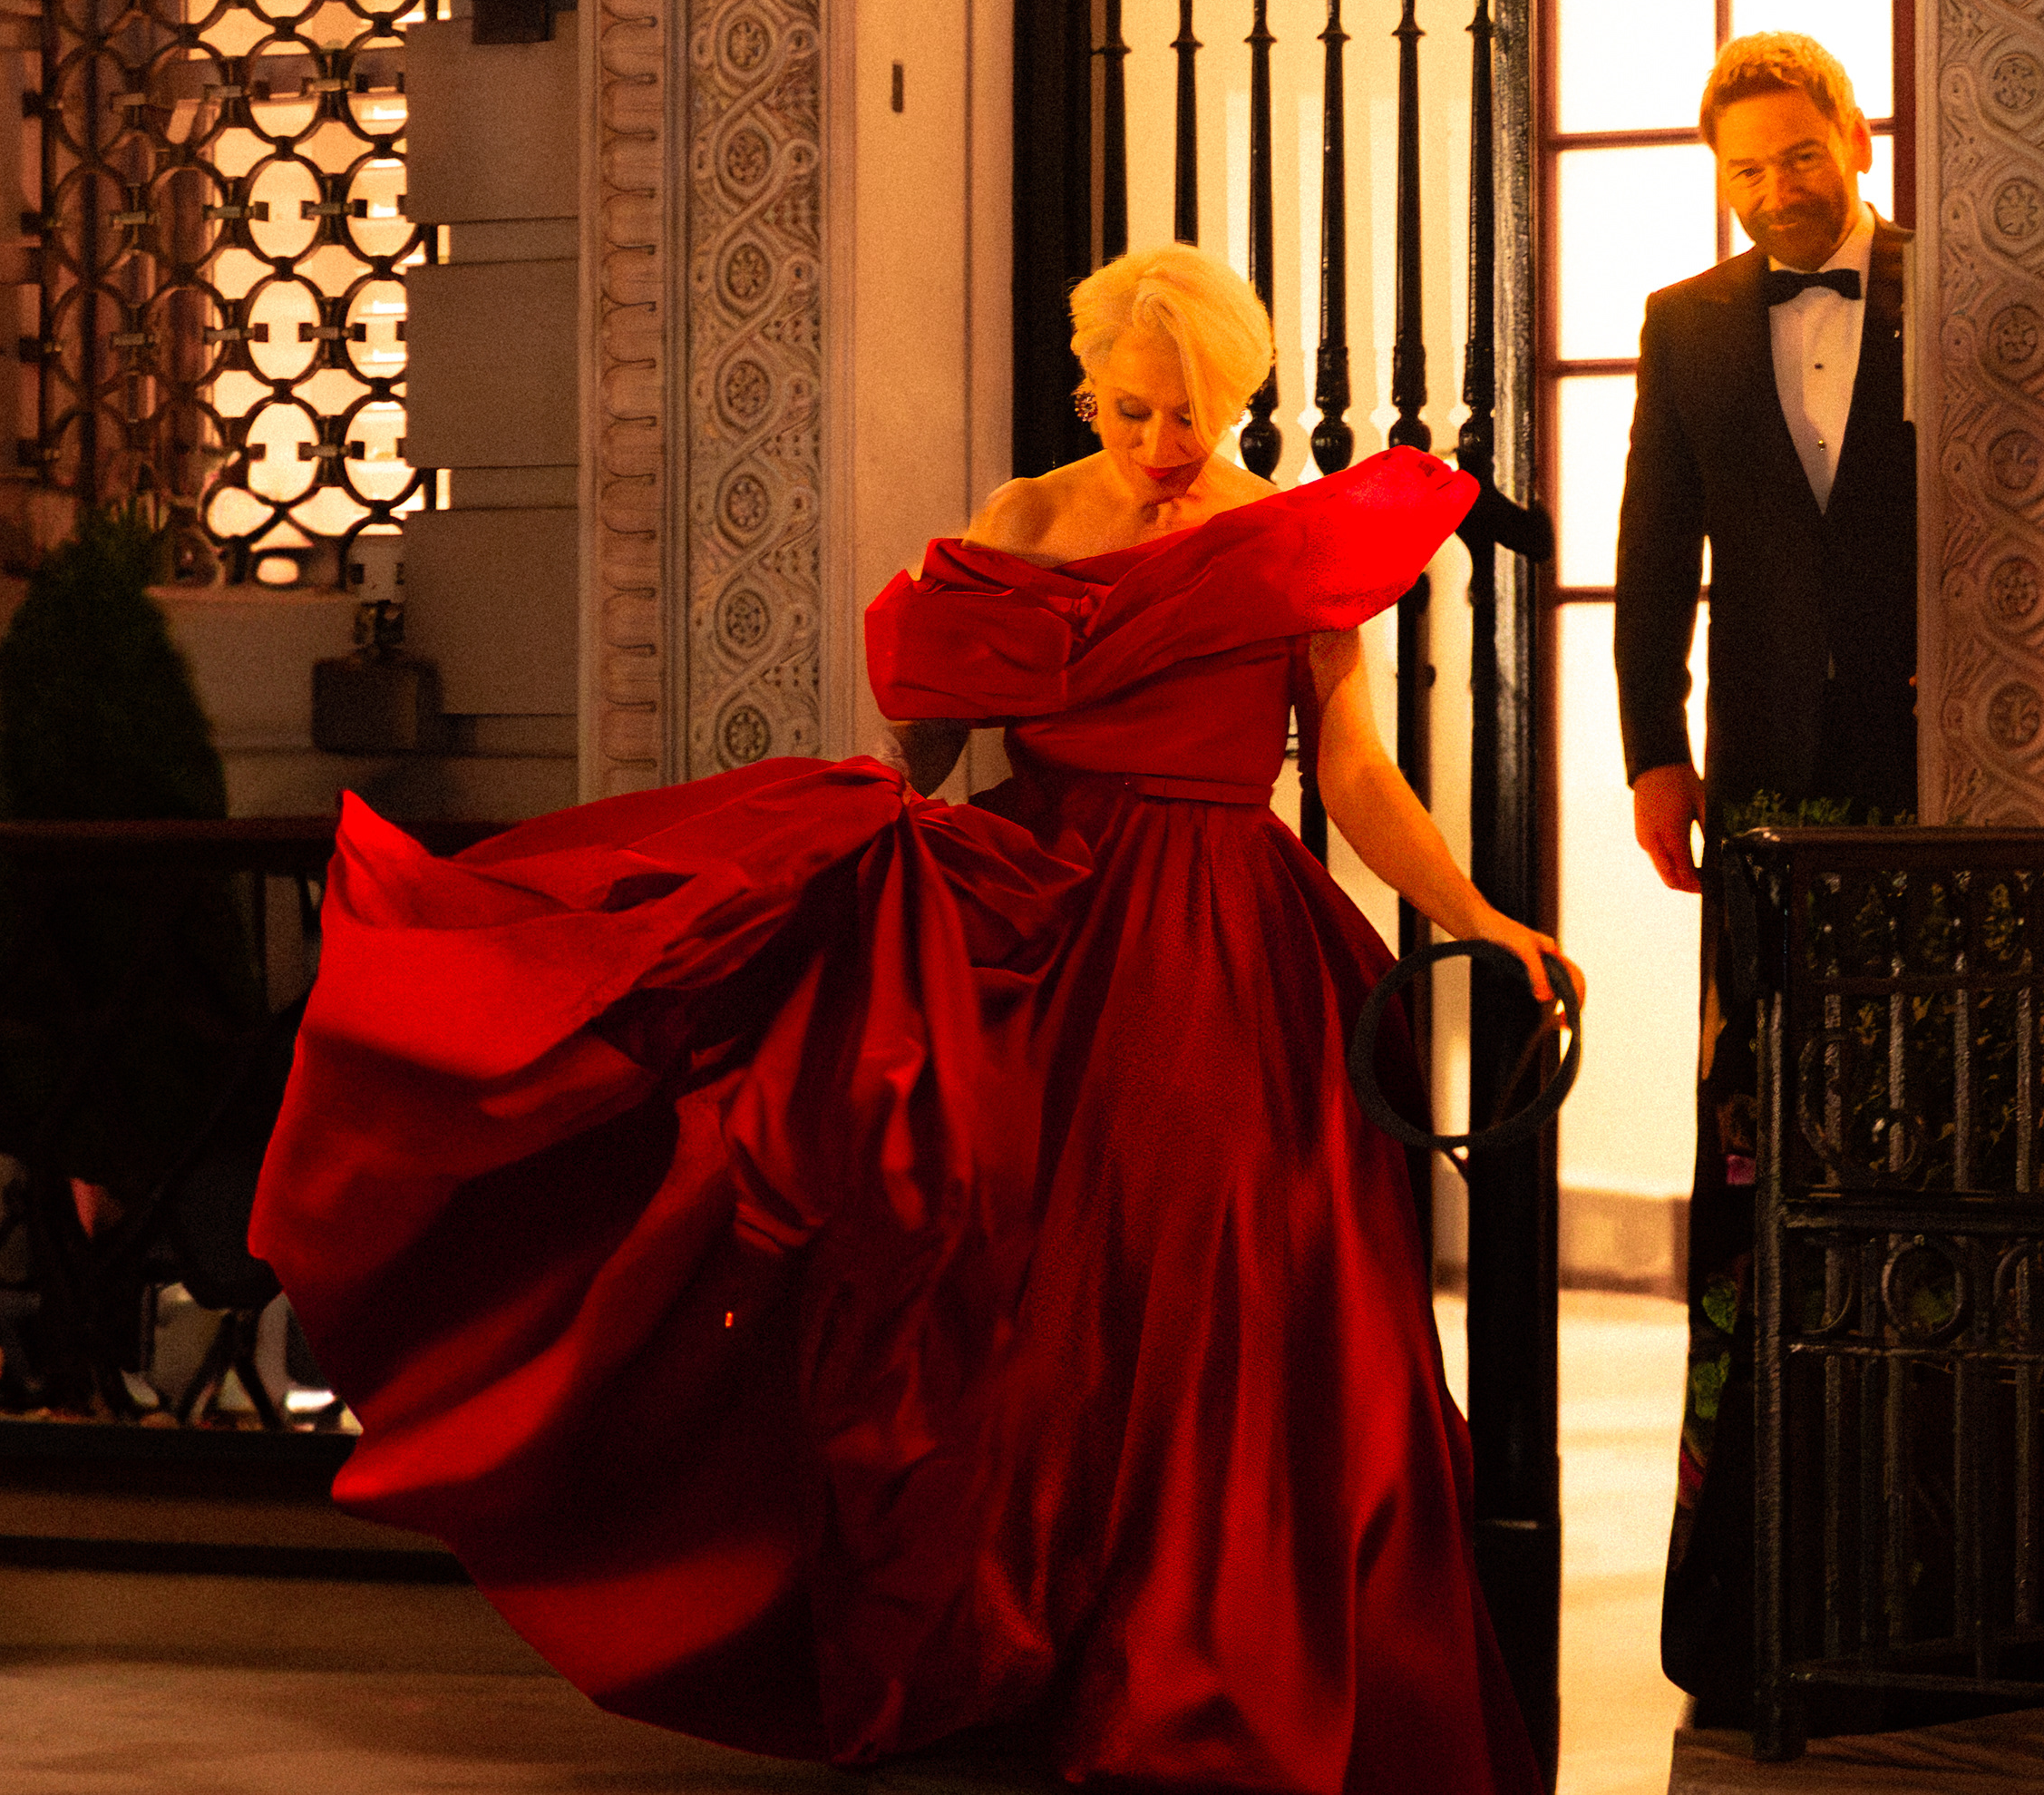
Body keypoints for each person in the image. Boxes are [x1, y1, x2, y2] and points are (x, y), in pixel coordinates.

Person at [253, 240, 1575, 1795]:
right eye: (1141, 410)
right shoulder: (1021, 517)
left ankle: (1211, 1672)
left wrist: (1480, 918)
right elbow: (932, 744)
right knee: (1007, 1291)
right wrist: (881, 814)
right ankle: (1023, 1648)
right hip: (1040, 912)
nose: (1166, 449)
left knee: (1228, 1292)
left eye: (1199, 417)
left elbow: (1349, 770)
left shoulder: (1277, 542)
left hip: (1226, 941)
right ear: (1092, 389)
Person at [1612, 32, 1917, 1722]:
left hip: (1952, 796)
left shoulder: (1956, 285)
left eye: (1800, 156)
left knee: (1948, 1139)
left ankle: (1948, 1564)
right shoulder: (1688, 323)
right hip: (1770, 813)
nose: (1777, 190)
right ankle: (1752, 1582)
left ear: (1853, 139)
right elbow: (1655, 556)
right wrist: (1656, 754)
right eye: (1747, 168)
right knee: (1766, 1154)